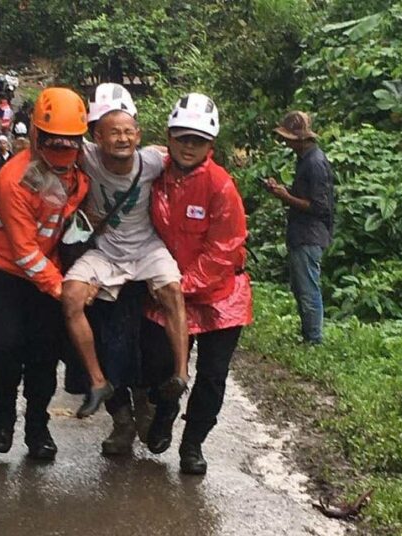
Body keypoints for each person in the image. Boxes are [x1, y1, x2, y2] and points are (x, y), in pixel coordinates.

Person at [0, 88, 89, 460]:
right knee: (6, 344)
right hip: (2, 266)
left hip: (48, 268)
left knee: (43, 353)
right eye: (52, 144)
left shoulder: (82, 168)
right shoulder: (13, 179)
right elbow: (24, 251)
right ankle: (2, 410)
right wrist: (63, 290)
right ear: (36, 136)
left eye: (68, 145)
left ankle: (37, 425)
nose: (60, 153)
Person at [62, 83, 189, 424]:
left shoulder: (152, 161)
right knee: (71, 296)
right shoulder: (85, 155)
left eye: (128, 132)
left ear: (138, 134)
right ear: (96, 136)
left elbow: (188, 156)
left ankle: (180, 375)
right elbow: (49, 140)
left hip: (146, 248)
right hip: (105, 251)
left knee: (173, 291)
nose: (121, 139)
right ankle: (98, 383)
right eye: (112, 132)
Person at [142, 93, 252, 475]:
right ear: (169, 137)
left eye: (198, 140)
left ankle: (193, 444)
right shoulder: (154, 174)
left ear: (211, 145)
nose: (189, 146)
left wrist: (178, 287)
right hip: (168, 293)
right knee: (158, 363)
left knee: (212, 378)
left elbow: (223, 250)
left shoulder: (221, 187)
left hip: (218, 296)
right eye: (182, 137)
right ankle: (165, 409)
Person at [262, 111, 335, 345]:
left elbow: (319, 206)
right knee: (300, 288)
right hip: (301, 234)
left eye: (288, 138)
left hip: (309, 235)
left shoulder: (315, 163)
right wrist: (281, 191)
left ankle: (313, 340)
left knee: (308, 290)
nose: (285, 142)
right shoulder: (306, 160)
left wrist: (286, 197)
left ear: (301, 138)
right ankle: (308, 336)